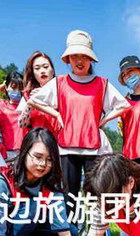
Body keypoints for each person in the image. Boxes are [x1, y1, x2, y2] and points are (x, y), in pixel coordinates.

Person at [28, 30, 130, 209]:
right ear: (68, 60)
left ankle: (95, 230)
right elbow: (34, 100)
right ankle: (71, 232)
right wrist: (56, 114)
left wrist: (104, 120)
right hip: (66, 147)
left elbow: (123, 105)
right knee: (69, 195)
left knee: (96, 192)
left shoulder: (102, 83)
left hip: (93, 148)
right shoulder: (60, 82)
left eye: (83, 56)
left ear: (90, 59)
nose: (79, 60)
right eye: (74, 56)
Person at [16, 51, 60, 137]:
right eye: (37, 68)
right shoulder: (27, 95)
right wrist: (31, 104)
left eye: (46, 67)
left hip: (60, 143)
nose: (42, 71)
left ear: (53, 70)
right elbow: (22, 125)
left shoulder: (63, 90)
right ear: (33, 73)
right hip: (38, 142)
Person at [0, 71, 25, 161]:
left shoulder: (28, 106)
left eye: (20, 88)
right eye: (13, 87)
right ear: (6, 87)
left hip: (24, 152)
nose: (17, 91)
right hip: (5, 153)